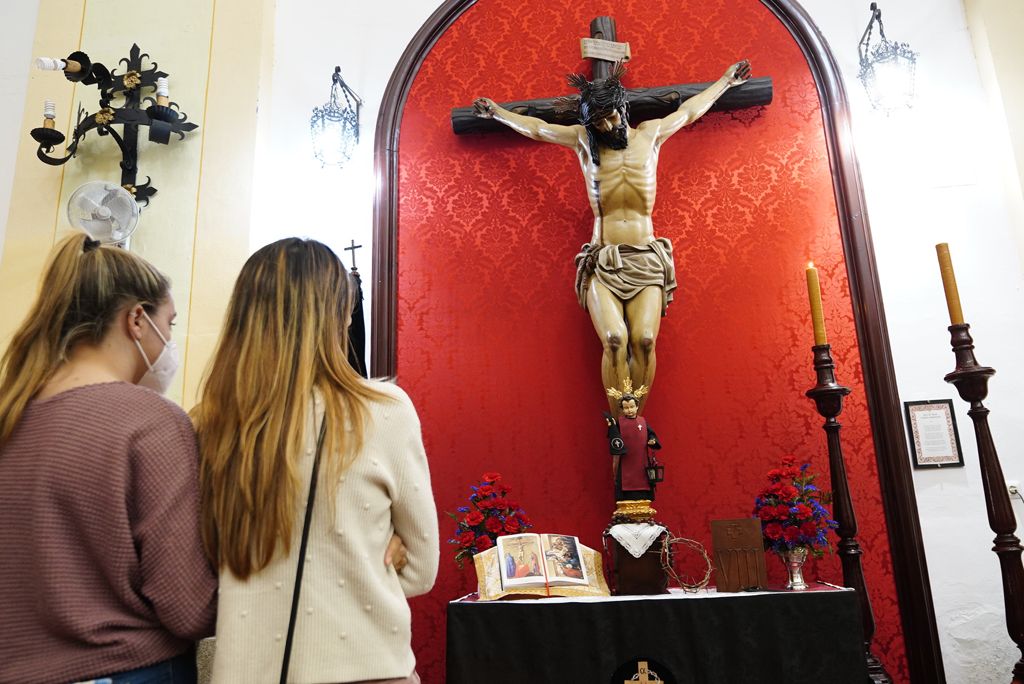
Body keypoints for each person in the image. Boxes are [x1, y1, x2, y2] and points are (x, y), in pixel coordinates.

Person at [193, 238, 439, 684]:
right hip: (368, 668)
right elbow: (422, 568)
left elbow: (201, 562)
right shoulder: (383, 410)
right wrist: (360, 565)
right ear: (340, 315)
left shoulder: (210, 423)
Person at [0, 232, 217, 684]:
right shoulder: (152, 422)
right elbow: (187, 607)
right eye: (170, 324)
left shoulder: (10, 416)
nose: (169, 341)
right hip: (128, 669)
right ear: (137, 319)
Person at [474, 60, 751, 412]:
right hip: (604, 259)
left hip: (646, 258)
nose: (607, 126)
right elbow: (539, 129)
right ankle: (620, 421)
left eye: (612, 116)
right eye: (598, 121)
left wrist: (726, 81)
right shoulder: (583, 142)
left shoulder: (650, 135)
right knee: (615, 339)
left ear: (623, 108)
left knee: (645, 340)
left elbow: (689, 111)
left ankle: (634, 423)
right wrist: (498, 113)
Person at [605, 380, 662, 501]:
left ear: (637, 407)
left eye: (632, 407)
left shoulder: (642, 421)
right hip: (626, 460)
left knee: (643, 481)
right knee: (625, 481)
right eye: (626, 408)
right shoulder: (620, 423)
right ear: (622, 409)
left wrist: (652, 440)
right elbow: (615, 440)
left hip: (641, 461)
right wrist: (612, 427)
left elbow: (652, 435)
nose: (629, 410)